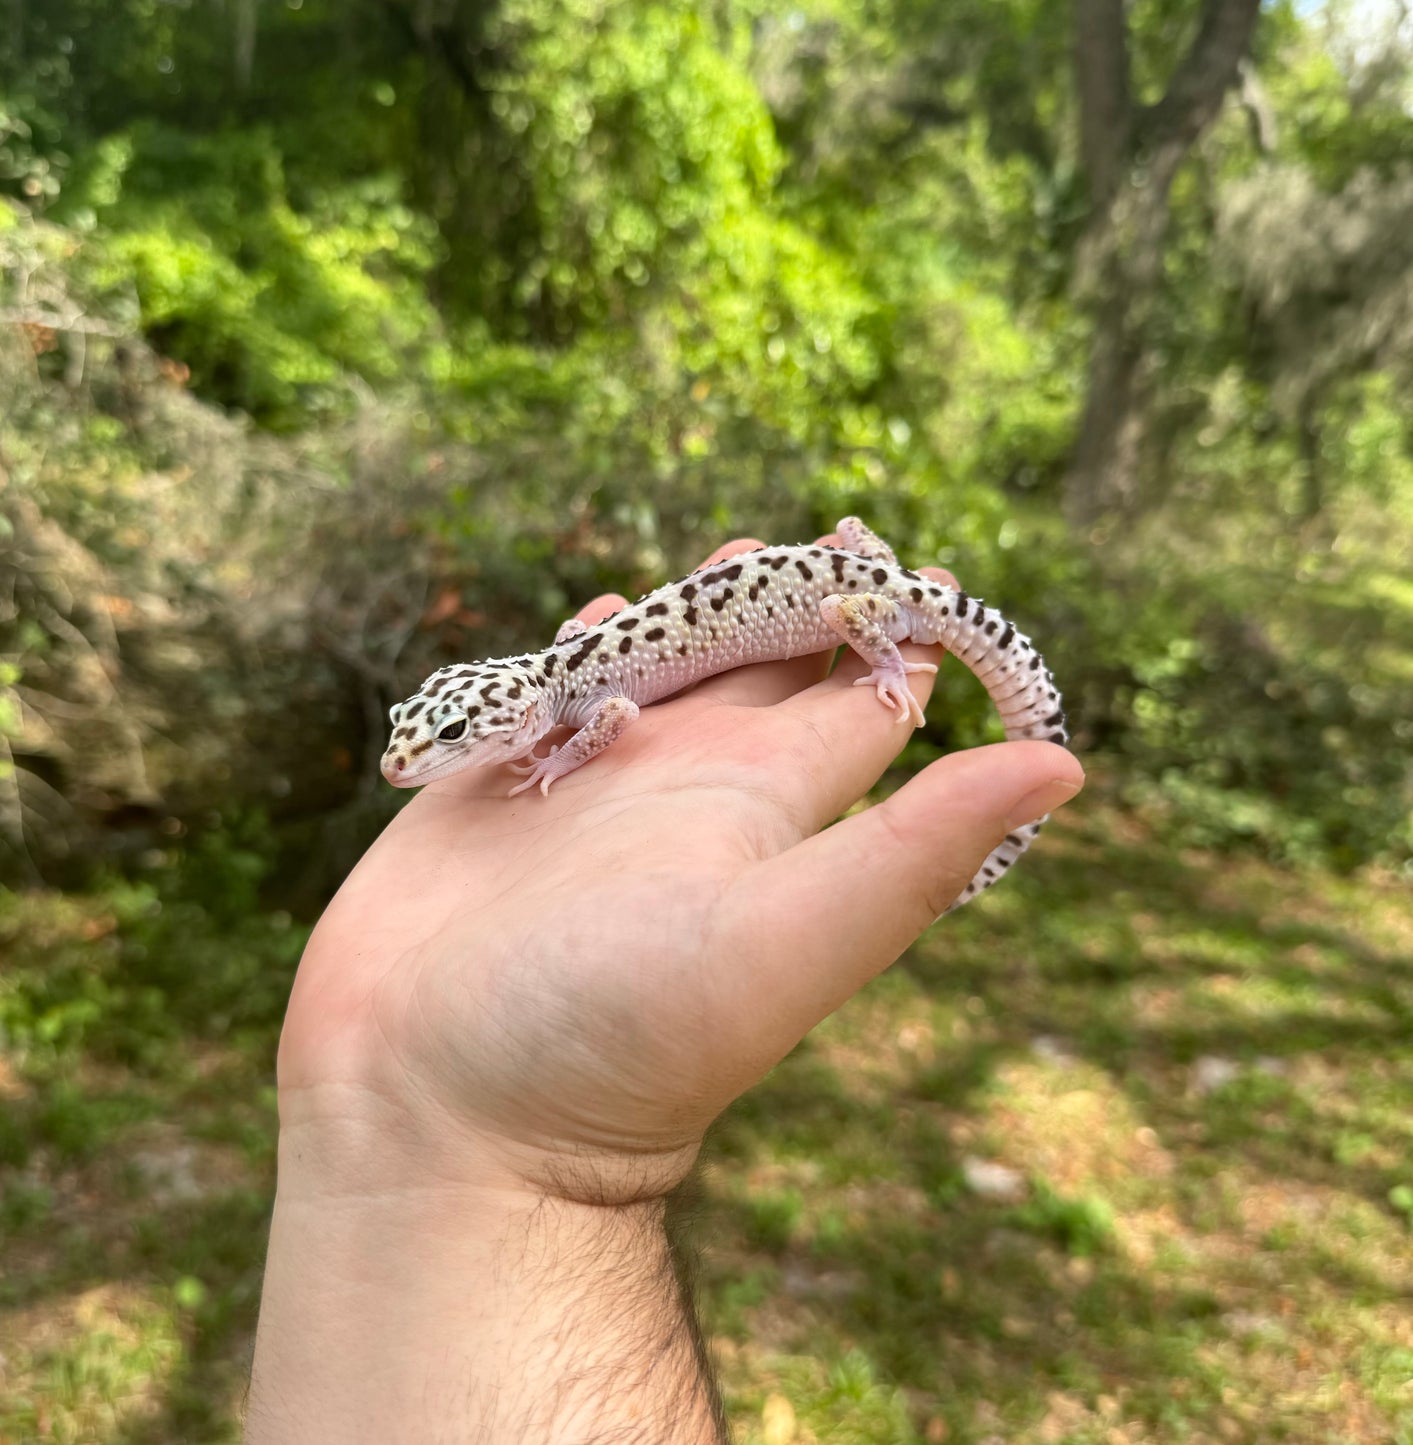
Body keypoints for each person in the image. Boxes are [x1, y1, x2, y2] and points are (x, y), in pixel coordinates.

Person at [244, 535, 1084, 1443]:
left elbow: (615, 718)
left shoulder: (575, 695)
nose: (406, 764)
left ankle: (874, 620)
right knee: (846, 582)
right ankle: (859, 558)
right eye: (423, 730)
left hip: (873, 603)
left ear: (513, 710)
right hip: (849, 581)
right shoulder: (554, 679)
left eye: (447, 739)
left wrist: (882, 661)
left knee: (850, 611)